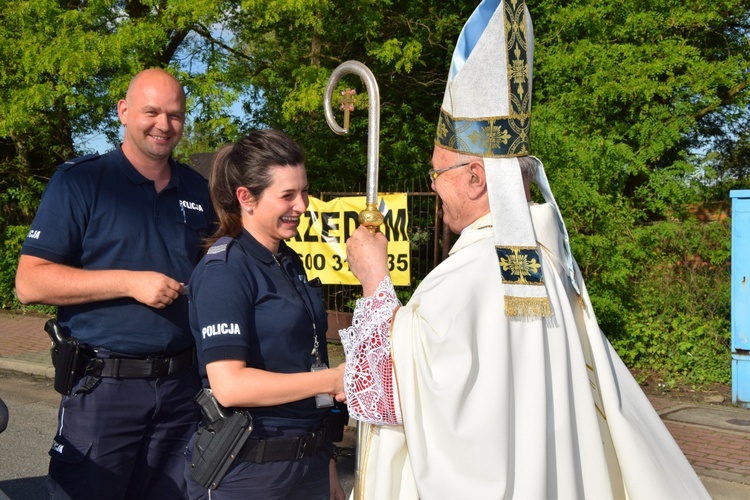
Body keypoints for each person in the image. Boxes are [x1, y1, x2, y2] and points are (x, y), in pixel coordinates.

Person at [339, 0, 711, 498]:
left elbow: (390, 395)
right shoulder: (547, 265)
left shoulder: (464, 277)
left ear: (475, 178)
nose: (434, 186)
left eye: (437, 173)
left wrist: (372, 280)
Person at [15, 68, 214, 499]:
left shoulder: (197, 189)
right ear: (124, 111)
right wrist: (128, 282)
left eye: (175, 115)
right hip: (104, 389)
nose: (164, 124)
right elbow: (29, 283)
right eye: (151, 111)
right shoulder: (82, 181)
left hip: (182, 391)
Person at [184, 129, 346, 500]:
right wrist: (333, 380)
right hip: (249, 471)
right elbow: (230, 385)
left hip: (309, 463)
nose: (302, 205)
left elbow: (309, 359)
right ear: (246, 198)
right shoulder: (225, 270)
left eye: (303, 191)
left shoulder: (289, 262)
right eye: (287, 195)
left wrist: (327, 464)